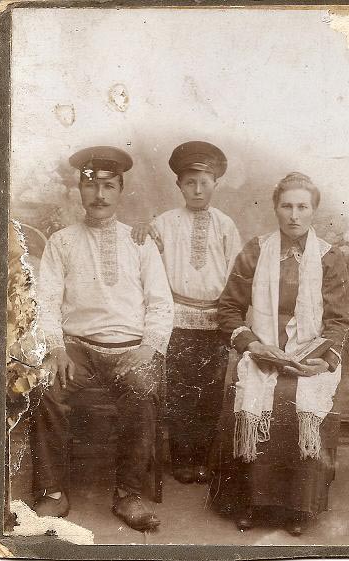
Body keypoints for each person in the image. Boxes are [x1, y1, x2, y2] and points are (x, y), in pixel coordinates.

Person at [29, 146, 174, 532]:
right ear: (80, 189)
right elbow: (47, 301)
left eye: (109, 186)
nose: (100, 195)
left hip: (129, 348)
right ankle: (53, 492)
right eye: (91, 185)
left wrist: (148, 348)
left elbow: (161, 303)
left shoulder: (138, 240)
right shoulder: (62, 242)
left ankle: (129, 494)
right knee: (45, 385)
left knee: (142, 388)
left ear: (120, 190)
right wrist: (56, 347)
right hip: (77, 348)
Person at [210, 172, 349, 535]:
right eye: (286, 206)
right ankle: (249, 503)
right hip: (263, 350)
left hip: (309, 355)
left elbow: (338, 320)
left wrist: (323, 359)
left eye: (302, 207)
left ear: (313, 210)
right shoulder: (255, 251)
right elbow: (228, 309)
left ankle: (299, 507)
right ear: (275, 208)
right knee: (255, 394)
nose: (294, 215)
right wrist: (252, 344)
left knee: (296, 396)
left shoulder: (329, 258)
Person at [131, 141, 242, 484]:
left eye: (204, 183)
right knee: (179, 392)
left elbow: (236, 274)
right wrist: (143, 229)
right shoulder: (164, 223)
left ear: (215, 184)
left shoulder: (225, 225)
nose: (197, 189)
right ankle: (180, 458)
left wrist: (231, 318)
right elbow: (146, 259)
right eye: (190, 183)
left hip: (215, 320)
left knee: (210, 393)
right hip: (177, 318)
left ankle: (202, 459)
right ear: (179, 185)